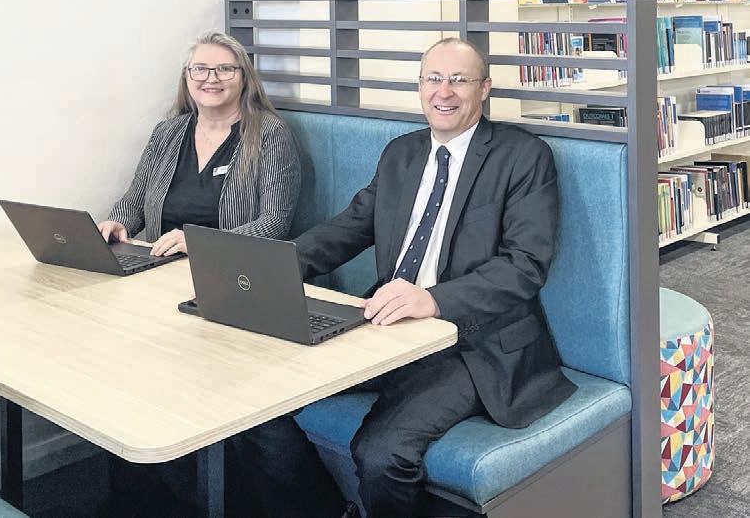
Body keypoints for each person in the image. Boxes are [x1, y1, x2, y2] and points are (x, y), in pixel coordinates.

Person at [226, 38, 577, 518]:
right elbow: (350, 227)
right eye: (434, 79)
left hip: (474, 343)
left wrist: (433, 299)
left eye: (459, 80)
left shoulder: (522, 156)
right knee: (252, 407)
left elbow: (525, 265)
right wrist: (267, 267)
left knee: (381, 453)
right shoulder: (402, 154)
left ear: (484, 88)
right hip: (387, 326)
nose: (444, 92)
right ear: (420, 86)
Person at [98, 31, 301, 253]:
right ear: (186, 77)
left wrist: (202, 244)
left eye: (225, 69)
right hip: (161, 264)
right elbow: (134, 203)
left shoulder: (270, 133)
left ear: (244, 78)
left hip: (232, 268)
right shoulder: (166, 132)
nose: (211, 78)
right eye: (200, 69)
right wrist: (118, 222)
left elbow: (274, 223)